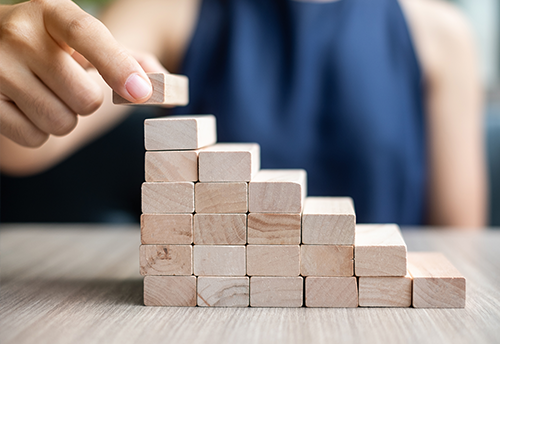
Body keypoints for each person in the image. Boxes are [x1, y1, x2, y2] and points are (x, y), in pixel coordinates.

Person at [0, 0, 487, 226]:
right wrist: (19, 61)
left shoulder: (441, 34)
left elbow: (459, 242)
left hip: (385, 323)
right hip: (221, 312)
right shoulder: (171, 11)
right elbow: (20, 148)